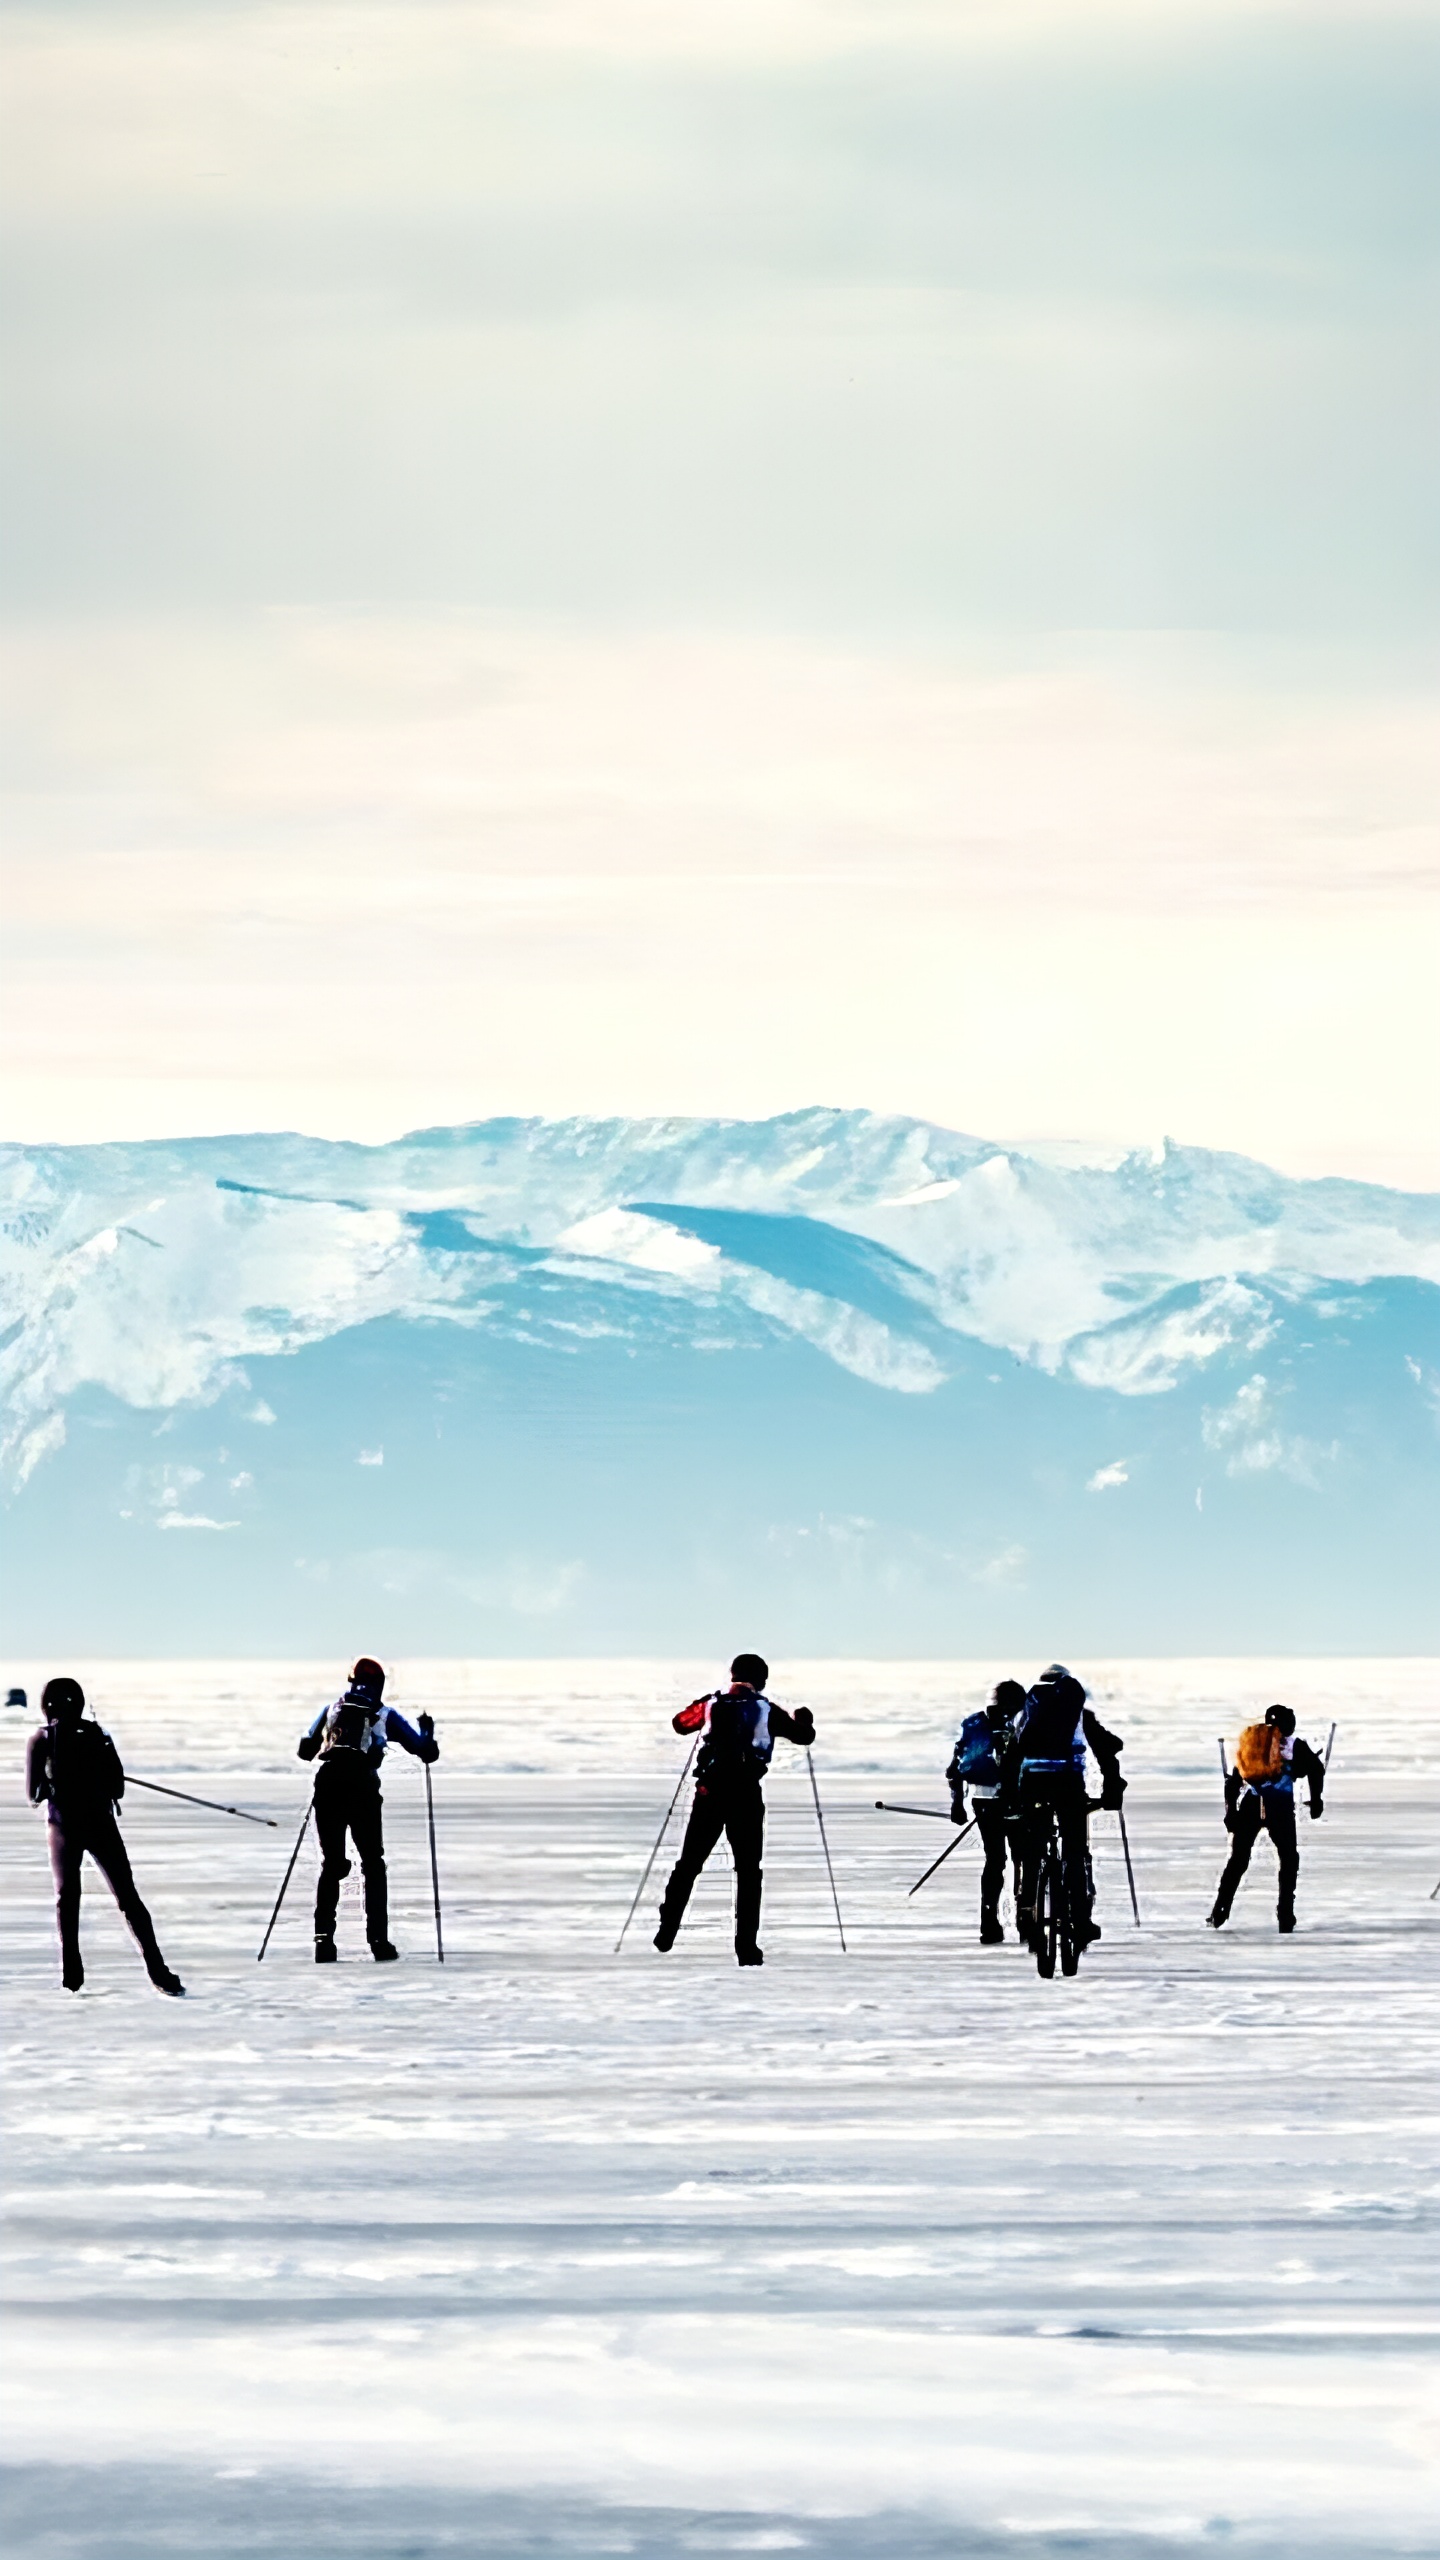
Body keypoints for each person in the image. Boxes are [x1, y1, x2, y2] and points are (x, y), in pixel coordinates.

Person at [26, 1677, 184, 1996]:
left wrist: (55, 1784)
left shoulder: (41, 1737)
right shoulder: (98, 1734)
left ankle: (72, 1973)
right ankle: (158, 1970)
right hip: (101, 1824)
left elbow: (34, 1794)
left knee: (67, 1898)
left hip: (63, 1826)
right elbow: (117, 1788)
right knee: (128, 1897)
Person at [654, 1654, 815, 1967]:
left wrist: (703, 1710)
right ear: (762, 1679)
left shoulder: (711, 1704)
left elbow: (679, 1724)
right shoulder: (766, 1709)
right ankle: (746, 1948)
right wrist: (804, 1718)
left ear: (732, 1675)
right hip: (745, 1795)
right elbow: (802, 1736)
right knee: (748, 1871)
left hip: (709, 1793)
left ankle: (667, 1929)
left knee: (689, 1863)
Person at [297, 1658, 438, 1964]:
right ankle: (378, 1942)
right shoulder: (384, 1714)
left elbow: (305, 1751)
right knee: (372, 1863)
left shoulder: (332, 1709)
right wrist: (427, 1731)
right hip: (362, 1787)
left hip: (328, 1785)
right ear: (380, 1684)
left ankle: (324, 1941)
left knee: (332, 1864)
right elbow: (425, 1752)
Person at [1013, 1665, 1125, 1948]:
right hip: (1068, 1785)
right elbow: (1107, 1751)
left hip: (1032, 1786)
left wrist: (1012, 1794)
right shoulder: (1080, 1715)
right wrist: (1112, 1789)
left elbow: (1013, 1755)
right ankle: (1081, 1920)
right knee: (1074, 1852)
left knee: (1033, 1852)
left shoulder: (1024, 1713)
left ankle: (1027, 1914)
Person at [1208, 1704, 1324, 1934]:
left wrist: (1230, 1812)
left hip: (1251, 1805)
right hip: (1279, 1807)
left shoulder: (1252, 1743)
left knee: (1238, 1860)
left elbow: (1233, 1781)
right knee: (1288, 1859)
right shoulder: (1294, 1746)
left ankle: (1220, 1910)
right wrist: (1316, 1800)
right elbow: (1316, 1770)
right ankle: (1285, 1914)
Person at [945, 1679, 1026, 1944]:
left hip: (982, 1799)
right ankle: (1026, 1919)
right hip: (1016, 1799)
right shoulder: (1021, 1724)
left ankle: (988, 1924)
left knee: (995, 1860)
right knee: (1022, 1859)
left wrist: (958, 1804)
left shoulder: (974, 1723)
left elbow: (955, 1768)